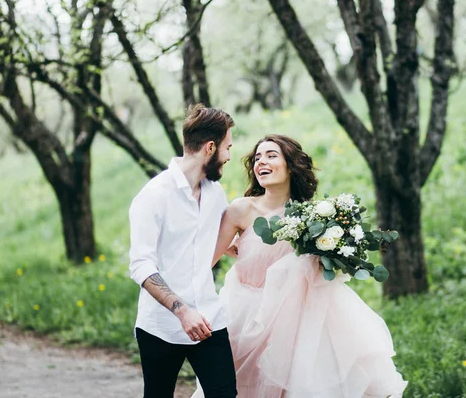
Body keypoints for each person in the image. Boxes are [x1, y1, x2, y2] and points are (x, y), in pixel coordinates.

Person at [193, 134, 407, 397]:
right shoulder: (241, 210)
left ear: (291, 164)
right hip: (246, 314)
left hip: (296, 315)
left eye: (271, 155)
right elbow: (205, 261)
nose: (262, 162)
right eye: (257, 158)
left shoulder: (313, 217)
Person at [128, 104, 237, 398]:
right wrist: (182, 311)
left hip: (210, 319)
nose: (228, 156)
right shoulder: (153, 196)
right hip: (160, 326)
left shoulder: (215, 194)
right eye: (227, 148)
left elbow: (226, 242)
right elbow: (140, 265)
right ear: (210, 147)